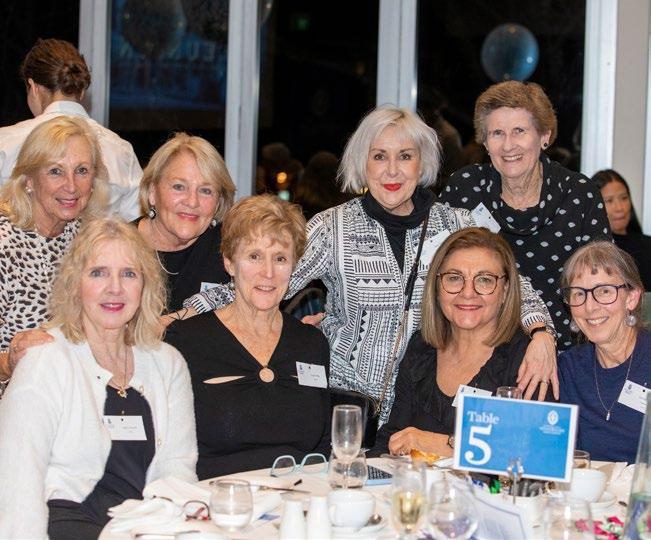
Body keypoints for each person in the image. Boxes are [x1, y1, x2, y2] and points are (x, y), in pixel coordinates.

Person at [182, 106, 557, 422]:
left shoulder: (457, 225)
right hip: (343, 405)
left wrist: (541, 334)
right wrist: (187, 313)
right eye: (379, 156)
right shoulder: (333, 227)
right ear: (363, 163)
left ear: (422, 163)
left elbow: (516, 287)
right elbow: (262, 282)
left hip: (425, 407)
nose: (392, 171)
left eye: (405, 156)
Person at [0, 218, 197, 539]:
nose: (114, 288)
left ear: (145, 286)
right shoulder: (45, 359)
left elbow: (177, 471)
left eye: (129, 274)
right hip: (63, 522)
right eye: (98, 273)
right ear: (75, 284)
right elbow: (17, 479)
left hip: (144, 525)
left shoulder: (168, 364)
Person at [165, 194, 330, 478]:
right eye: (254, 256)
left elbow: (323, 449)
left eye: (280, 258)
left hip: (299, 496)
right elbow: (168, 451)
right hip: (218, 498)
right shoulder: (185, 341)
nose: (268, 273)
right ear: (230, 263)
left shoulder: (311, 344)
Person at [439, 80, 611, 351]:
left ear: (544, 136)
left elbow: (602, 285)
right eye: (497, 133)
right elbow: (436, 270)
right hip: (477, 348)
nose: (508, 145)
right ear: (485, 142)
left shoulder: (580, 195)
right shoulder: (465, 188)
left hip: (562, 351)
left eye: (519, 131)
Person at [371, 228, 532, 457]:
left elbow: (527, 452)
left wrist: (436, 443)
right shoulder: (421, 347)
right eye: (454, 278)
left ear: (505, 291)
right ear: (437, 287)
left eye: (485, 280)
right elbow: (393, 437)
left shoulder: (526, 358)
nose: (468, 293)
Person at [0, 115, 109, 389]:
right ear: (29, 180)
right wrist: (9, 363)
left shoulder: (89, 239)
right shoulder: (4, 243)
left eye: (81, 170)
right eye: (56, 171)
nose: (71, 186)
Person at [0, 38, 142, 220]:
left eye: (82, 171)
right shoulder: (121, 150)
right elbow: (135, 222)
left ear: (34, 88)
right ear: (81, 92)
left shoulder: (5, 142)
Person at [558, 241, 647, 462]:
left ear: (632, 297)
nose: (590, 307)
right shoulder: (568, 369)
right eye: (579, 294)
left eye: (604, 291)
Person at [136, 132, 235, 311]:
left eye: (205, 190)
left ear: (219, 201)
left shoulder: (233, 247)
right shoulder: (118, 247)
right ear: (152, 192)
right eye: (179, 187)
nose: (192, 202)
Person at [592, 169, 651, 291]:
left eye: (624, 198)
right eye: (609, 200)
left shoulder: (648, 245)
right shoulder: (591, 252)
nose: (619, 208)